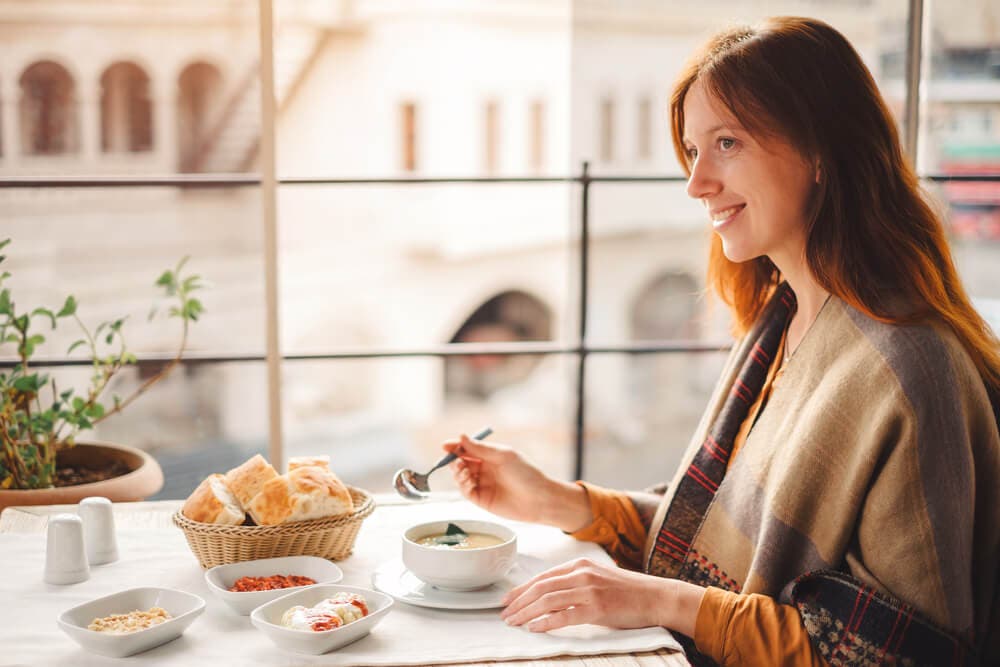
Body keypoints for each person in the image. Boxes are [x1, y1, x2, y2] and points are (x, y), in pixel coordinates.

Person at [441, 16, 1000, 667]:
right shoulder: (783, 317)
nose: (696, 181)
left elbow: (900, 652)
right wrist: (560, 501)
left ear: (822, 150)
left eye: (727, 142)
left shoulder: (913, 372)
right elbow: (720, 549)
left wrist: (659, 601)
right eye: (692, 149)